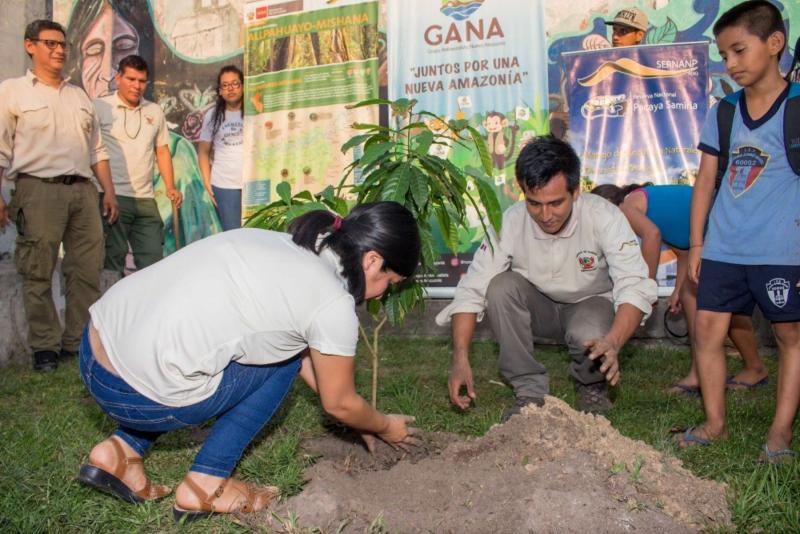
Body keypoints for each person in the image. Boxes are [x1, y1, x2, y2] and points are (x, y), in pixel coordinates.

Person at [76, 202, 422, 520]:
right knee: (283, 359)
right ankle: (206, 483)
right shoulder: (331, 303)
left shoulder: (277, 243)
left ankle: (120, 452)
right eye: (390, 282)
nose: (383, 292)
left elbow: (329, 385)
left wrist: (358, 418)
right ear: (373, 261)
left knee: (190, 344)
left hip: (94, 349)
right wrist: (384, 424)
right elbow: (338, 401)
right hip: (139, 395)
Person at [437, 136, 657, 418]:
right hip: (539, 307)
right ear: (523, 192)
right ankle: (528, 391)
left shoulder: (605, 216)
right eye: (534, 203)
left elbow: (634, 285)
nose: (545, 215)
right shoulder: (511, 221)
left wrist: (613, 341)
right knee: (500, 287)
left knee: (587, 333)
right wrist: (460, 358)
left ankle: (590, 385)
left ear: (576, 191)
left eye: (556, 203)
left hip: (590, 304)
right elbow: (472, 289)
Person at [681, 1, 800, 464]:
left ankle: (780, 432)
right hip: (724, 248)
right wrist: (697, 243)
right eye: (723, 54)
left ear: (774, 44)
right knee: (707, 331)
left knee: (791, 337)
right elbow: (705, 180)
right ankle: (715, 423)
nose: (730, 64)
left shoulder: (795, 108)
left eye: (738, 51)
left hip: (783, 251)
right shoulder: (724, 111)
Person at [0, 20, 118, 372]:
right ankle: (45, 349)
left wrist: (108, 192)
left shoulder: (79, 95)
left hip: (83, 192)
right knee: (37, 270)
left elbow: (97, 149)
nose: (59, 50)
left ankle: (75, 345)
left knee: (86, 270)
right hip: (37, 190)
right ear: (29, 46)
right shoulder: (13, 91)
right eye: (50, 43)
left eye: (63, 44)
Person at [592, 183, 767, 394]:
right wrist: (677, 290)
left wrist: (645, 287)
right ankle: (703, 373)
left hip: (721, 222)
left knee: (717, 304)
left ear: (607, 205)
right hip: (716, 225)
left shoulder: (625, 208)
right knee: (694, 298)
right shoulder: (649, 210)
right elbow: (685, 251)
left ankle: (746, 369)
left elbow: (652, 236)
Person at [94, 55, 183, 275]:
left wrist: (170, 187)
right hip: (112, 196)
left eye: (142, 81)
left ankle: (148, 309)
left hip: (145, 199)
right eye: (131, 79)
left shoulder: (154, 110)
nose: (136, 86)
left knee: (153, 263)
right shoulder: (100, 106)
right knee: (112, 262)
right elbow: (92, 150)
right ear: (118, 79)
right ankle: (112, 308)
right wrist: (106, 192)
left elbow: (161, 149)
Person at [198, 66, 244, 231]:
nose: (230, 88)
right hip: (225, 185)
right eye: (225, 85)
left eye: (235, 84)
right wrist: (207, 183)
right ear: (220, 91)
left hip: (252, 183)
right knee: (233, 234)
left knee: (256, 234)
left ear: (243, 86)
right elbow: (203, 152)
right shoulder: (212, 115)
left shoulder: (254, 111)